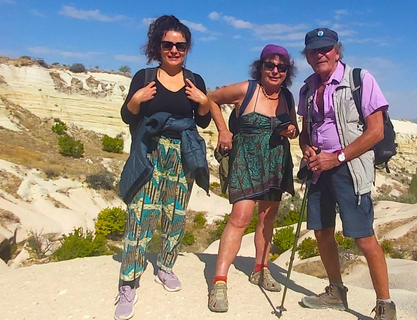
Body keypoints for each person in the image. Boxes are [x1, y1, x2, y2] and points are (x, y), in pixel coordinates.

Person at [115, 15, 211, 320]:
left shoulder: (194, 81)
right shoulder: (144, 78)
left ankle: (166, 267)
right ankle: (128, 282)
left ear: (187, 48)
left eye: (180, 45)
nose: (174, 49)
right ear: (158, 46)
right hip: (150, 152)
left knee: (175, 214)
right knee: (140, 213)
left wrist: (204, 101)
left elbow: (203, 120)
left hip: (182, 154)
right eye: (168, 44)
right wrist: (135, 101)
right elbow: (128, 118)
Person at [297, 28, 397, 320]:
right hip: (318, 169)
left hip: (350, 168)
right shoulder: (306, 88)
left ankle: (385, 305)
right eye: (314, 50)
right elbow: (306, 132)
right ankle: (336, 292)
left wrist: (336, 157)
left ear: (337, 51)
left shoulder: (359, 80)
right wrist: (307, 149)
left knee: (364, 237)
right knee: (322, 231)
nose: (320, 54)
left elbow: (376, 131)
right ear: (307, 56)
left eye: (326, 48)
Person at [207, 44, 298, 312]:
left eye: (281, 67)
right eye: (270, 65)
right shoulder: (246, 90)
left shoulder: (287, 97)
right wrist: (223, 131)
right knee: (240, 219)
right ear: (260, 67)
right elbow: (211, 99)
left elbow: (293, 127)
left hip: (275, 164)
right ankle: (219, 281)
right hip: (246, 162)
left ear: (287, 71)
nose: (275, 70)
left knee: (266, 219)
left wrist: (291, 131)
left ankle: (261, 268)